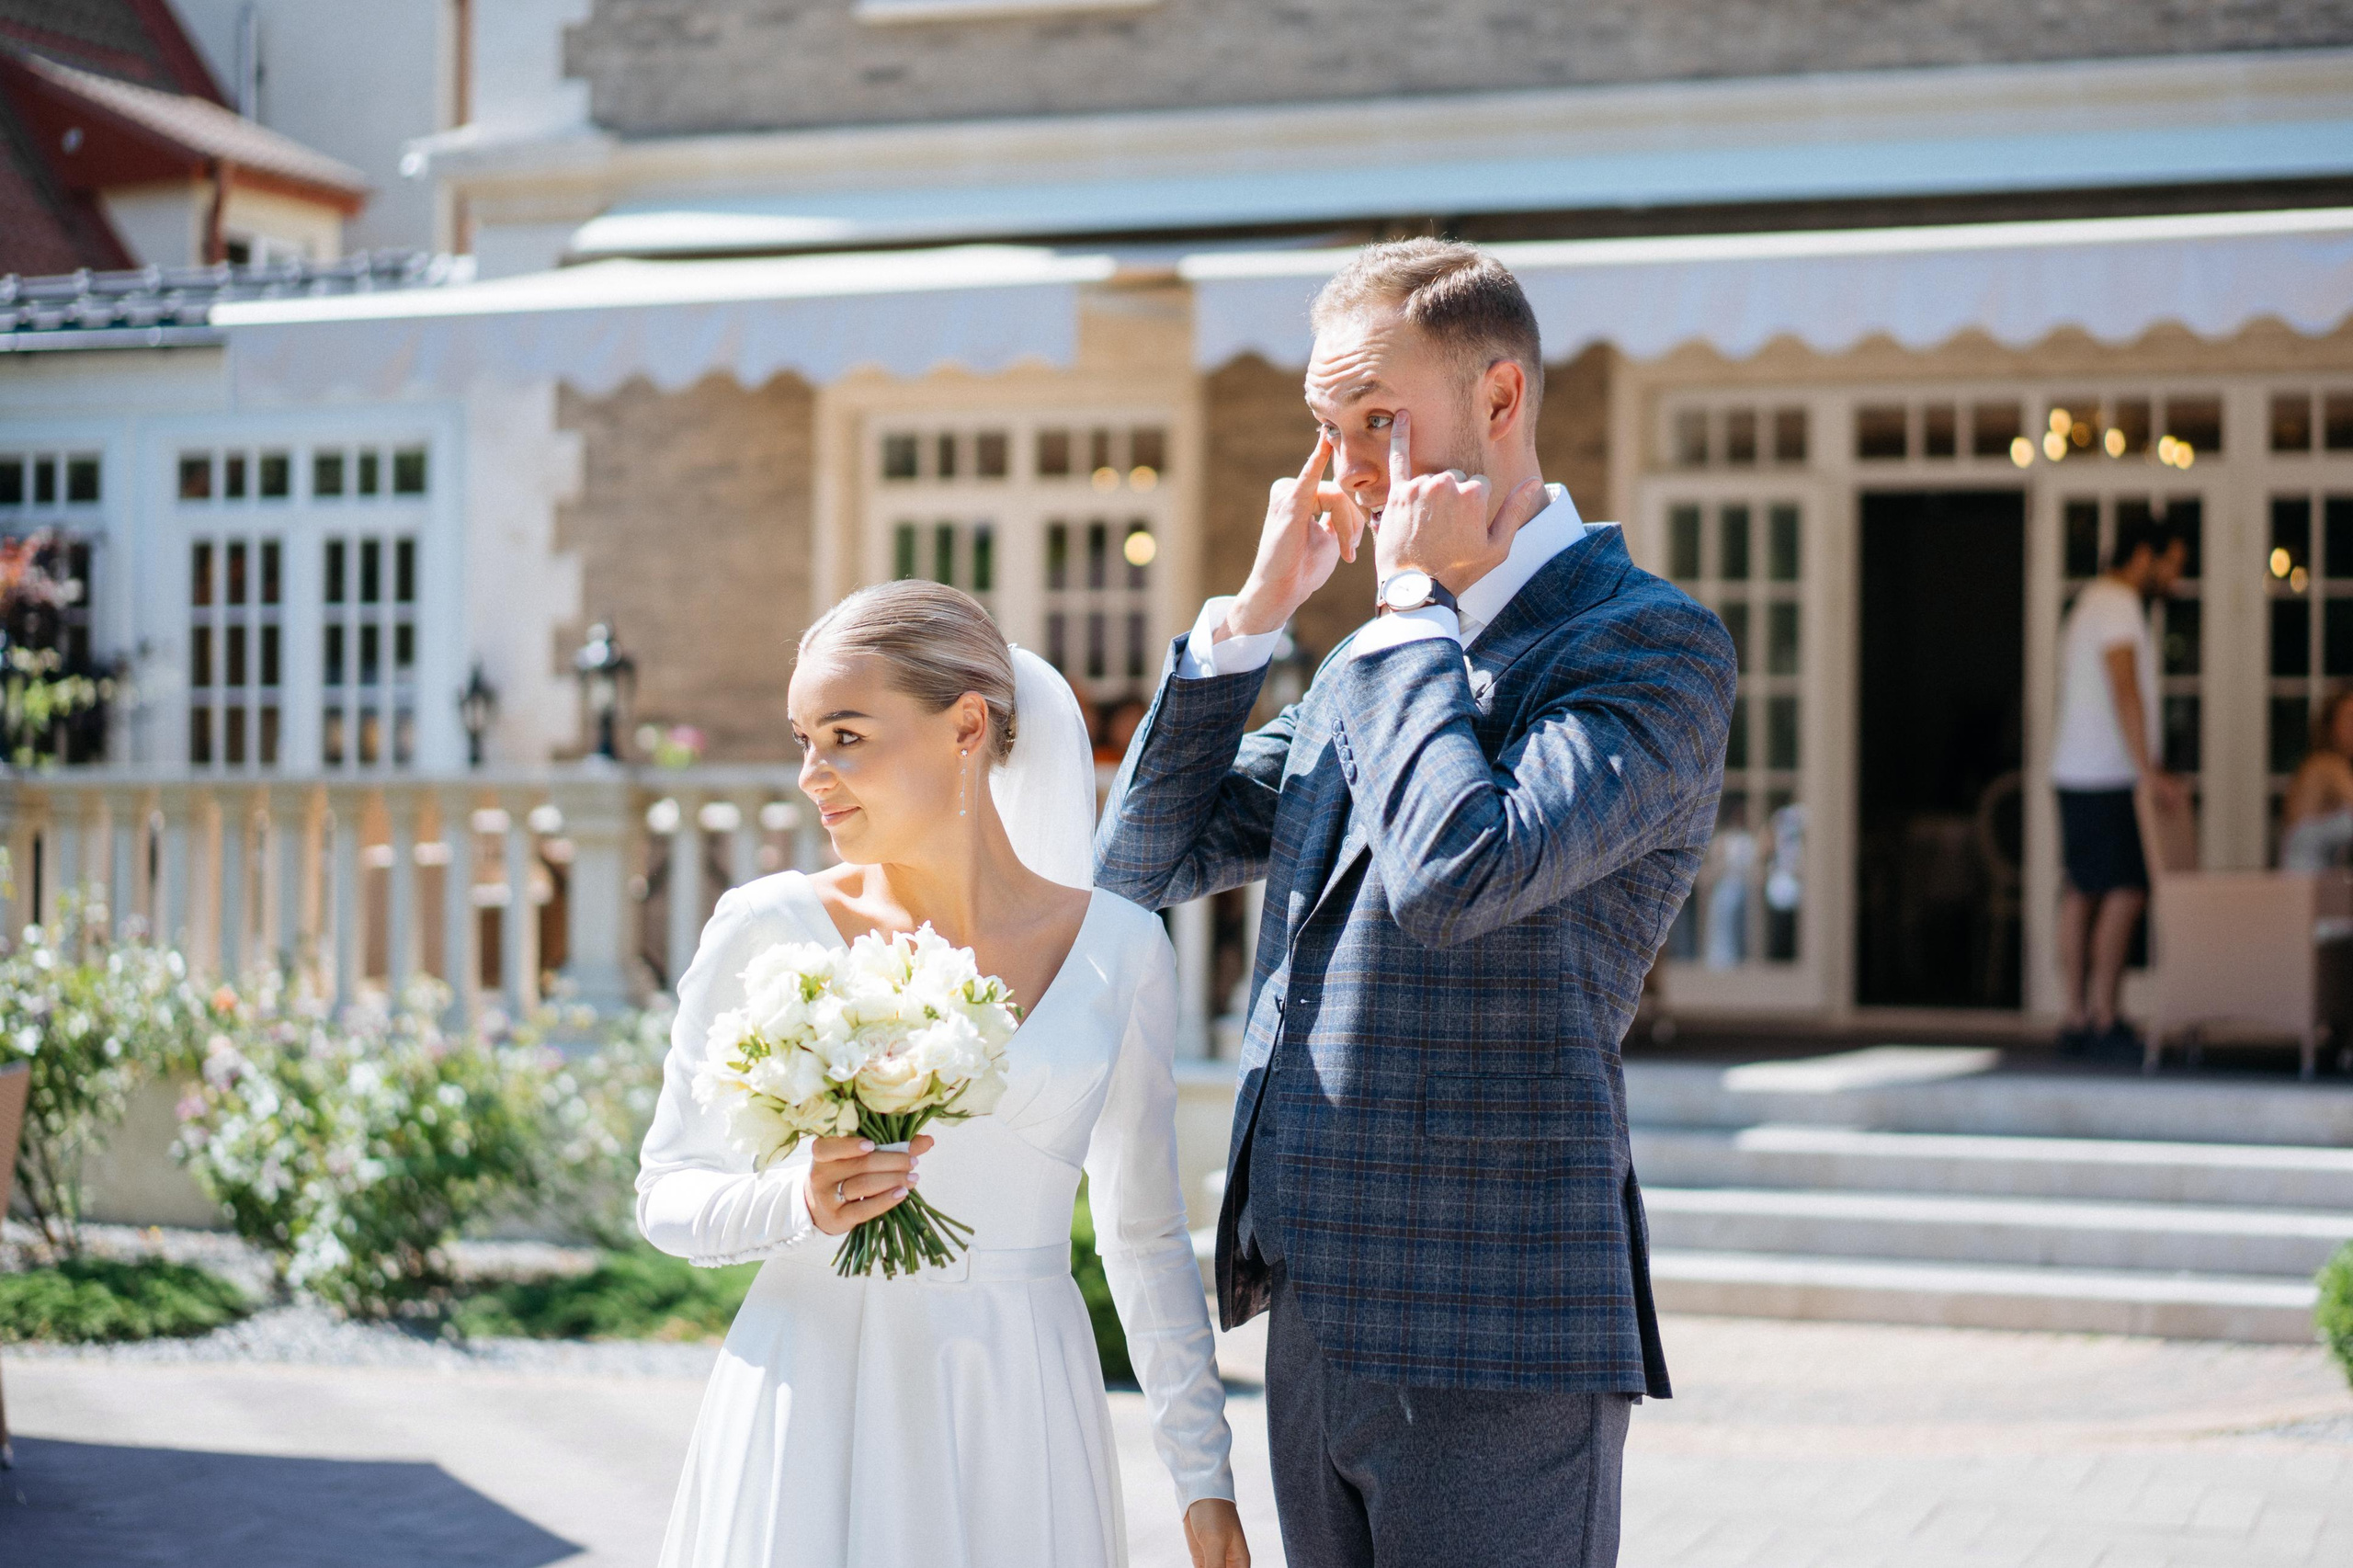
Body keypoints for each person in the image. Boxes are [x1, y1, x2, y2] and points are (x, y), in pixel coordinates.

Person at [1096, 240, 1736, 1568]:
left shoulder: (1644, 642)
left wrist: (1401, 607)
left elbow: (1463, 870)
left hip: (1494, 1323)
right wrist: (1254, 617)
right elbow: (1142, 862)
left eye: (1379, 422)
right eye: (1329, 432)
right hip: (1316, 1310)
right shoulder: (1362, 662)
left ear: (1501, 402)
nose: (1351, 471)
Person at [636, 580, 1249, 1568]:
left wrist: (1203, 1475)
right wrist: (795, 1199)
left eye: (844, 735)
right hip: (814, 1393)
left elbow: (1142, 1239)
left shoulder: (1122, 948)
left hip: (1018, 1407)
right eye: (804, 739)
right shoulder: (764, 926)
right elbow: (664, 1192)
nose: (811, 774)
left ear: (967, 725)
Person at [2049, 514, 2188, 1056]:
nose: (2176, 577)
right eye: (2172, 563)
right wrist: (2147, 770)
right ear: (2143, 557)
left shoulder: (2091, 602)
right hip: (2105, 772)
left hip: (2079, 769)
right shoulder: (2117, 606)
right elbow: (2124, 686)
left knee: (2084, 890)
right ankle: (2102, 1016)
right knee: (2124, 890)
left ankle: (2077, 1016)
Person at [2281, 688, 2353, 870]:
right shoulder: (2326, 765)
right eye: (2350, 719)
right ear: (2331, 725)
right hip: (2304, 881)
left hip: (2321, 882)